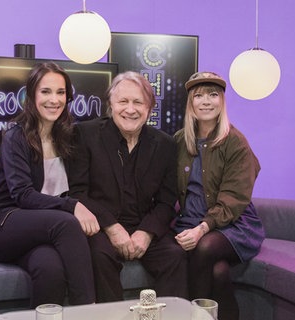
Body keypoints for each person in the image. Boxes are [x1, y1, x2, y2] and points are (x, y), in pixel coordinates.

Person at [0, 62, 99, 308]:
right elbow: (22, 195)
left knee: (50, 269)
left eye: (61, 92)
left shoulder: (67, 137)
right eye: (46, 91)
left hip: (41, 231)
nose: (54, 99)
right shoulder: (16, 137)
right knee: (65, 222)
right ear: (32, 95)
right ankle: (88, 311)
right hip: (1, 225)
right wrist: (72, 206)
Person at [68, 71, 188, 302]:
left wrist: (147, 232)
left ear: (149, 109)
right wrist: (112, 228)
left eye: (138, 102)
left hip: (143, 224)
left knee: (175, 256)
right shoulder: (85, 134)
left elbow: (166, 201)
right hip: (101, 226)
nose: (130, 109)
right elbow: (78, 192)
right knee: (99, 257)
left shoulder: (165, 144)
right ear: (111, 105)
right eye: (123, 101)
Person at [172, 71, 265, 320]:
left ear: (222, 101)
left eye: (213, 95)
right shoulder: (180, 141)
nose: (206, 101)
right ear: (191, 102)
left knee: (206, 247)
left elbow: (233, 200)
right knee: (219, 272)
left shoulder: (235, 142)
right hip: (189, 221)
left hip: (233, 225)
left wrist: (202, 228)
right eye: (199, 95)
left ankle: (192, 317)